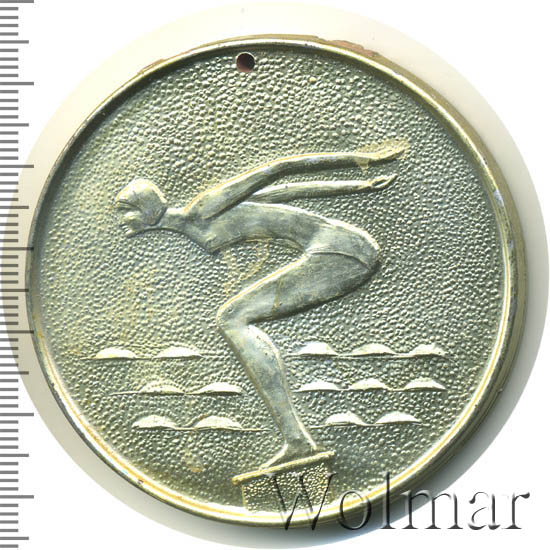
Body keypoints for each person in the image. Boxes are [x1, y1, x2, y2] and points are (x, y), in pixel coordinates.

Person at [114, 145, 404, 468]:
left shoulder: (202, 209)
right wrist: (360, 186)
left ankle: (297, 441)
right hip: (345, 250)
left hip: (342, 252)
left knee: (231, 318)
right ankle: (297, 441)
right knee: (232, 318)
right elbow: (286, 193)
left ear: (148, 210)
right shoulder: (201, 220)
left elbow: (278, 168)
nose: (121, 220)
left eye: (126, 210)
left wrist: (363, 160)